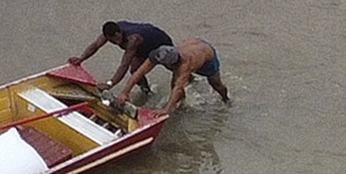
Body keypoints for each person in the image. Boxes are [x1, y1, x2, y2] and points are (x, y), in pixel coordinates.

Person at [67, 18, 232, 107]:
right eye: (112, 40)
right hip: (152, 49)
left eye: (117, 38)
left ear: (120, 32)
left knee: (183, 79)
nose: (116, 42)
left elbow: (123, 64)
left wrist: (110, 84)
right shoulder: (108, 33)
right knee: (136, 71)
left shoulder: (133, 40)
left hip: (163, 44)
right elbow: (96, 46)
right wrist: (81, 59)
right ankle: (147, 92)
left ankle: (225, 100)